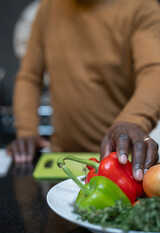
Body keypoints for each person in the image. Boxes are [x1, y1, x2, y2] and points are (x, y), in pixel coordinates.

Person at [7, 0, 160, 182]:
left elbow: (154, 71)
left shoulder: (141, 6)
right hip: (61, 159)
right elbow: (29, 77)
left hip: (119, 161)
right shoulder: (48, 8)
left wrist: (133, 121)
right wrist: (26, 131)